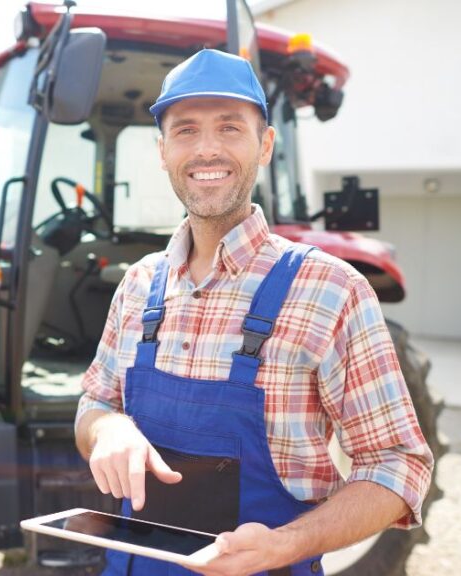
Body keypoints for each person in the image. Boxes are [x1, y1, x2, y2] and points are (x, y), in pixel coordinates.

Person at [74, 49, 434, 576]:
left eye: (229, 128)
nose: (207, 149)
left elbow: (399, 466)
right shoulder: (137, 285)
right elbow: (95, 401)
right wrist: (108, 428)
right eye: (187, 131)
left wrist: (287, 544)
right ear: (163, 150)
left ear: (265, 144)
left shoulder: (331, 290)